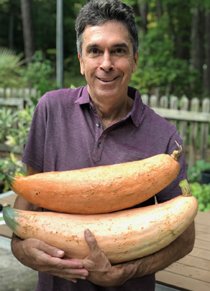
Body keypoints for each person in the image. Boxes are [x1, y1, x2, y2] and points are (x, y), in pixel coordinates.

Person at [11, 0, 195, 290]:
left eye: (118, 51)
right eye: (95, 51)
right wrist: (22, 251)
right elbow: (25, 206)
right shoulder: (50, 110)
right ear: (82, 60)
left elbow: (185, 238)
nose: (106, 63)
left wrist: (127, 272)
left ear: (134, 59)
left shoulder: (164, 135)